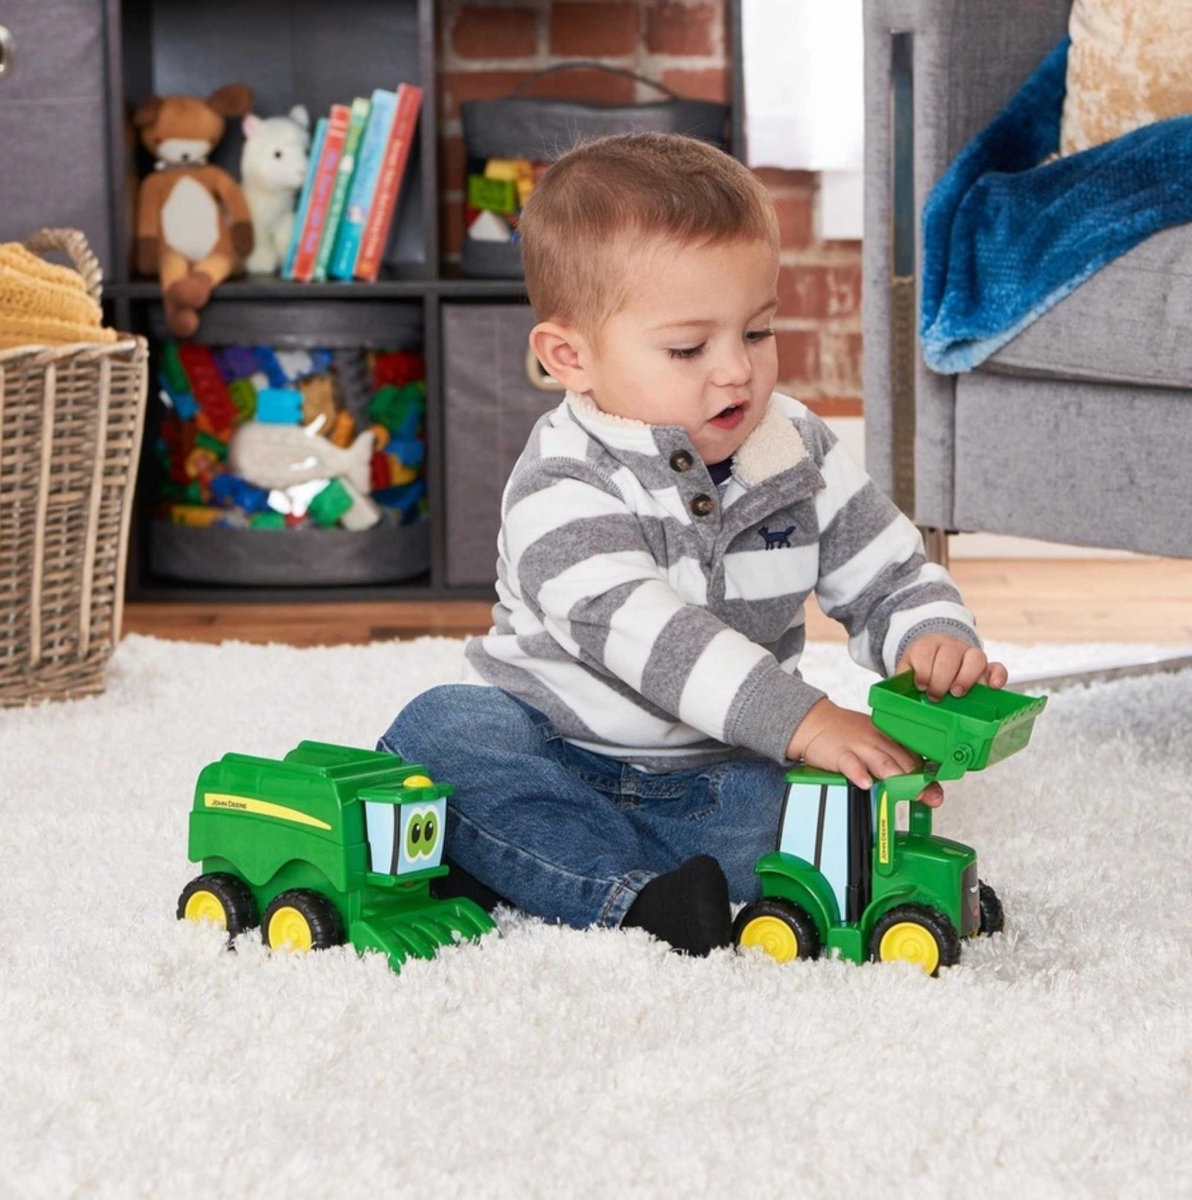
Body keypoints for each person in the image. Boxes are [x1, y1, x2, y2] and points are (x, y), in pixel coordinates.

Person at [379, 132, 1008, 956]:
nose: (737, 373)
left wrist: (931, 636)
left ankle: (534, 865)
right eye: (688, 348)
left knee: (832, 798)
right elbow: (658, 640)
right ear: (571, 356)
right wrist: (807, 719)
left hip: (725, 765)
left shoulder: (795, 450)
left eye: (757, 332)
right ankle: (631, 900)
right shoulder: (562, 484)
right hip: (555, 747)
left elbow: (886, 570)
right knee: (442, 736)